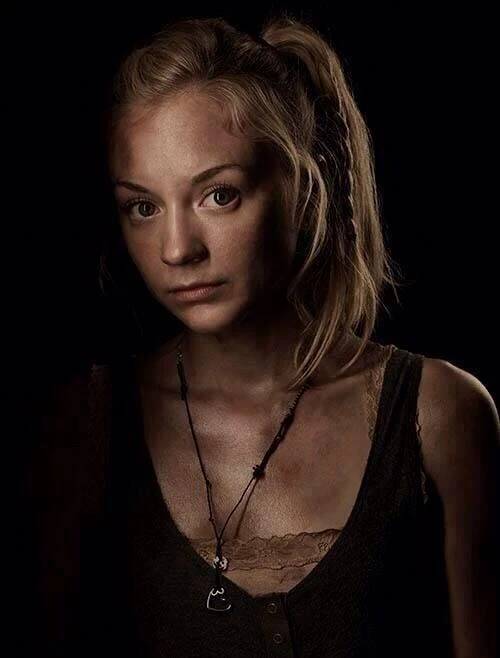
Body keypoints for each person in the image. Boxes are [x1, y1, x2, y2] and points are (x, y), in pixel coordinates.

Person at [33, 11, 499, 658]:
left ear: (303, 185)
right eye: (143, 207)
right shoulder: (86, 424)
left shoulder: (439, 415)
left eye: (218, 195)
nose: (176, 249)